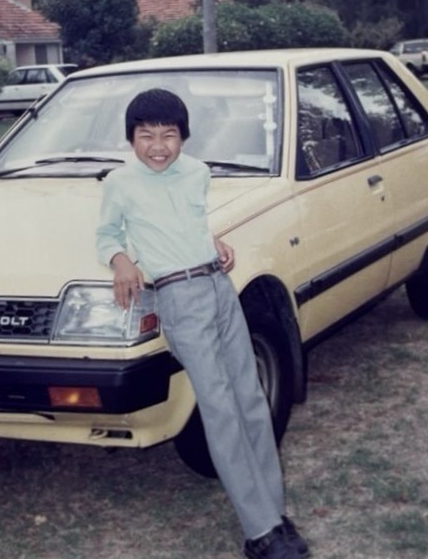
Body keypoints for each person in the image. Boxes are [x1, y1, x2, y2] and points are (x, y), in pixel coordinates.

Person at [96, 88, 309, 559]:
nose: (157, 146)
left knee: (251, 399)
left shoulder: (196, 173)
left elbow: (185, 219)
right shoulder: (120, 182)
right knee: (220, 408)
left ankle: (274, 514)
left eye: (168, 135)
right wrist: (120, 262)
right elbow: (108, 233)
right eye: (145, 135)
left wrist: (214, 241)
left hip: (219, 287)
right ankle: (259, 532)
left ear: (183, 137)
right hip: (179, 297)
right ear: (131, 139)